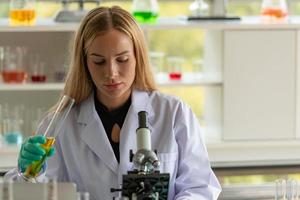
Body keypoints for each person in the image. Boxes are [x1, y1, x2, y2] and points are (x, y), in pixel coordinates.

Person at [5, 6, 221, 200]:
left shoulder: (174, 113)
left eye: (122, 59)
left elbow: (200, 187)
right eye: (99, 61)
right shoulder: (60, 124)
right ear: (85, 62)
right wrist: (27, 173)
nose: (111, 73)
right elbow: (32, 194)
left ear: (138, 57)